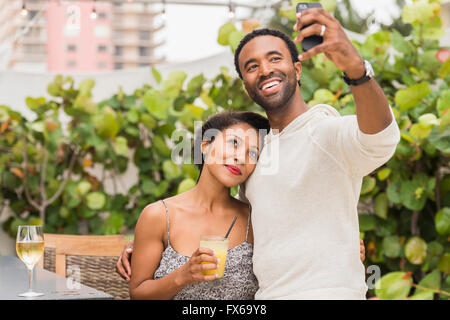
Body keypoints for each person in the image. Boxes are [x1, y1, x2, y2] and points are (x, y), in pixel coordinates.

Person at [120, 7, 389, 300]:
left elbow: (378, 139)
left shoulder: (330, 132)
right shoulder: (262, 154)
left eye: (275, 58)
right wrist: (152, 252)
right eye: (251, 66)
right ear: (247, 86)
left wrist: (356, 71)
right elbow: (261, 226)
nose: (265, 70)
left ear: (297, 70)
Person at [129, 111, 269, 299]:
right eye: (234, 143)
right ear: (205, 146)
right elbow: (138, 294)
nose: (240, 158)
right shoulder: (159, 216)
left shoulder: (255, 219)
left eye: (252, 153)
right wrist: (182, 276)